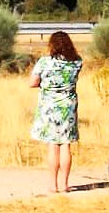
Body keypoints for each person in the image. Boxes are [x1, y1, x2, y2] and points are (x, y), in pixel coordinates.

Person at [28, 30, 83, 193]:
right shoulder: (77, 61)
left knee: (53, 145)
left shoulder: (45, 62)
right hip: (69, 106)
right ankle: (65, 184)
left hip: (50, 107)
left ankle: (53, 185)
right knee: (66, 144)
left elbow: (32, 82)